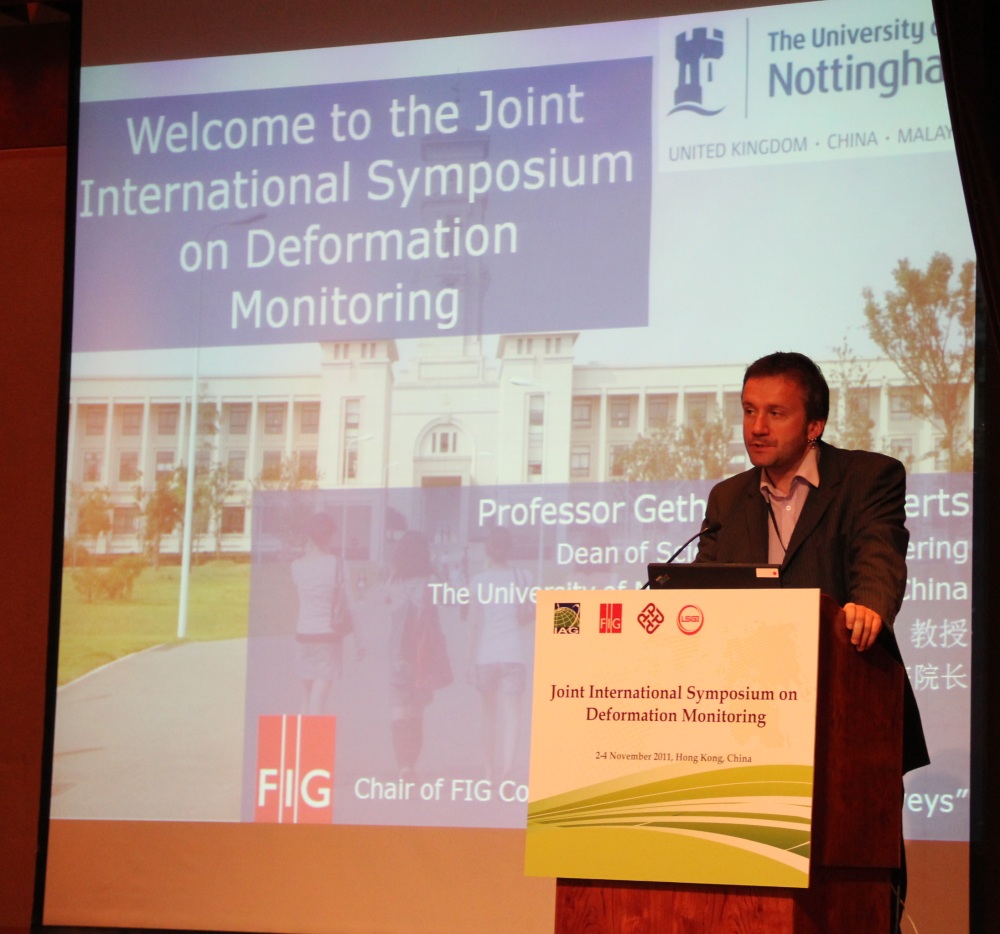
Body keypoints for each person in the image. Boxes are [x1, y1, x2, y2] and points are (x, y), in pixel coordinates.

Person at [695, 351, 928, 931]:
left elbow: (879, 555)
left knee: (853, 888)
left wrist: (870, 605)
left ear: (814, 424)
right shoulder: (728, 498)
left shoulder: (869, 477)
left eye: (775, 413)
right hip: (746, 721)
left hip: (844, 714)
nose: (757, 427)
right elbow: (701, 592)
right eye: (749, 410)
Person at [467, 527, 531, 783]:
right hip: (513, 652)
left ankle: (488, 770)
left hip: (486, 654)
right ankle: (507, 770)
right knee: (512, 716)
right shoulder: (524, 577)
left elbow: (474, 624)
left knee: (488, 716)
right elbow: (528, 615)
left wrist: (469, 662)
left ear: (487, 550)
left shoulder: (478, 582)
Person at [291, 511, 361, 715]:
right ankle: (315, 736)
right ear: (329, 536)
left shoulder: (296, 566)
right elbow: (351, 605)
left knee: (306, 697)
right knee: (318, 699)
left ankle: (303, 736)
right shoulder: (338, 564)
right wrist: (359, 641)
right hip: (327, 637)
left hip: (303, 636)